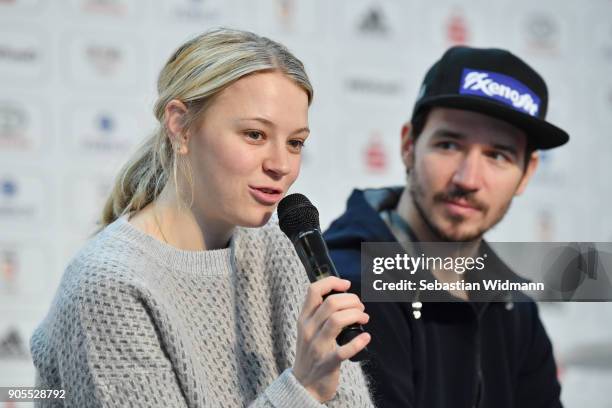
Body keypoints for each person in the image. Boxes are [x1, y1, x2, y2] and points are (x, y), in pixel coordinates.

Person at [30, 29, 374, 407]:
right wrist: (303, 388)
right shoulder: (109, 285)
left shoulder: (285, 251)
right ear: (180, 125)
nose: (281, 166)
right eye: (255, 134)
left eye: (295, 143)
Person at [324, 46, 569, 408]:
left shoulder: (516, 308)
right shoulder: (346, 285)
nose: (468, 179)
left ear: (527, 173)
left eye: (498, 155)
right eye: (449, 144)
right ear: (409, 145)